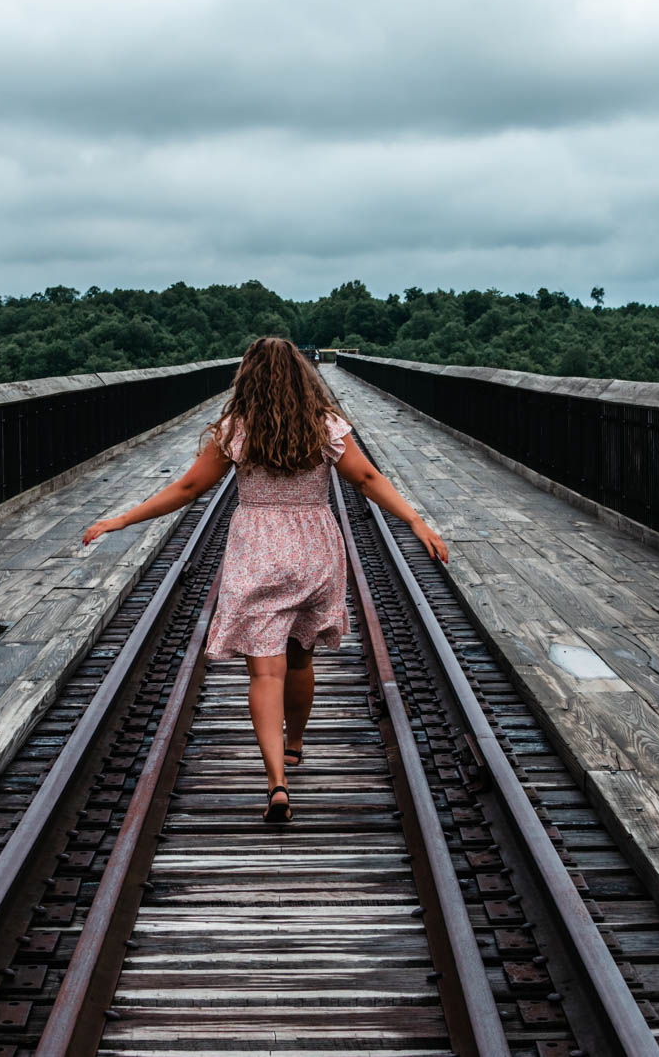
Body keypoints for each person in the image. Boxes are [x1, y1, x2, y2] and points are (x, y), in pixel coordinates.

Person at [82, 337, 448, 825]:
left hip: (257, 549)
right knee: (300, 658)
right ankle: (296, 743)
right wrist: (416, 521)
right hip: (314, 547)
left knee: (264, 673)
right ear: (303, 376)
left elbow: (188, 488)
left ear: (247, 377)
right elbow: (366, 479)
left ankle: (276, 778)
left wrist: (121, 520)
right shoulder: (325, 425)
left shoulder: (235, 429)